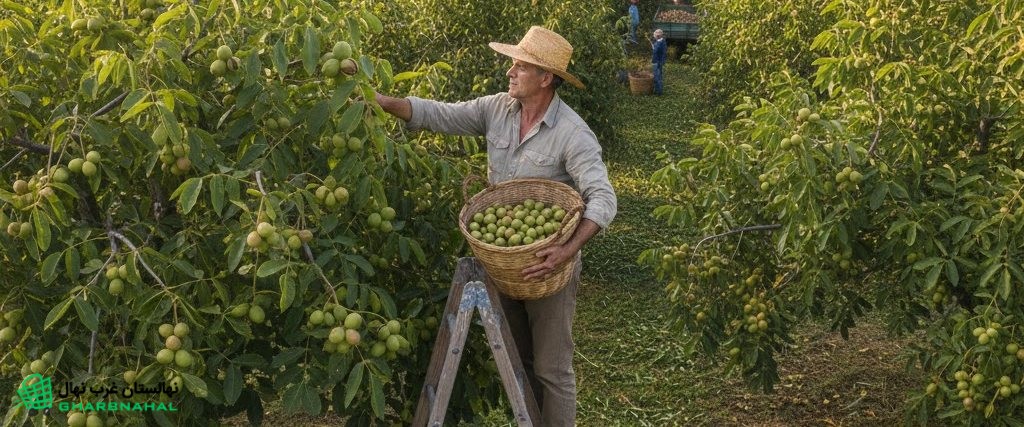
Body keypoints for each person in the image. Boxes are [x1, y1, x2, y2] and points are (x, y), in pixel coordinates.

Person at [375, 26, 617, 426]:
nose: (510, 72)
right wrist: (382, 102)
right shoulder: (496, 109)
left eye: (520, 66)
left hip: (547, 268)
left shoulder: (573, 134)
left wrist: (566, 250)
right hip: (502, 264)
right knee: (521, 361)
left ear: (545, 78)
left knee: (552, 369)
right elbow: (439, 113)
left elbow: (604, 198)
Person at [651, 28, 667, 95]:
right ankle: (657, 90)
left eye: (655, 35)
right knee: (657, 76)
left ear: (658, 36)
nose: (654, 36)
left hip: (657, 62)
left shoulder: (660, 42)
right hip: (657, 61)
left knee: (657, 77)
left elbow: (659, 52)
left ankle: (659, 92)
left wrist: (654, 48)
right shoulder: (659, 42)